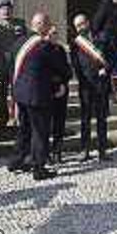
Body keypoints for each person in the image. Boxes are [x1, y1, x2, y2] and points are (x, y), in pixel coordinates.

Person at [10, 12, 72, 180]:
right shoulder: (44, 46)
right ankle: (39, 168)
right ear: (41, 25)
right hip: (37, 95)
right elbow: (62, 69)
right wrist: (62, 78)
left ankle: (17, 160)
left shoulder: (20, 42)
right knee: (40, 132)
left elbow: (12, 65)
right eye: (48, 24)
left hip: (20, 93)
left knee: (24, 129)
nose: (51, 27)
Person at [70, 13, 111, 162]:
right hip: (86, 86)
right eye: (77, 26)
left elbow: (111, 57)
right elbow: (75, 66)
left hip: (101, 85)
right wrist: (82, 80)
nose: (80, 27)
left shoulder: (102, 37)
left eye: (82, 23)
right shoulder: (76, 43)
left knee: (102, 119)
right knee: (85, 120)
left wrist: (106, 69)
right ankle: (84, 150)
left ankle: (102, 151)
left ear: (88, 22)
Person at [0, 0, 28, 129]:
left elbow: (26, 42)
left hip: (16, 64)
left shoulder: (20, 23)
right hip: (0, 64)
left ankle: (17, 116)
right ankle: (2, 118)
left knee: (17, 91)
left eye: (8, 9)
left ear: (12, 10)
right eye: (3, 9)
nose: (6, 11)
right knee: (1, 92)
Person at [48, 25, 72, 164]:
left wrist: (63, 84)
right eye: (51, 33)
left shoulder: (60, 50)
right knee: (45, 124)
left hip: (61, 89)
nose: (53, 36)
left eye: (55, 33)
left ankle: (57, 152)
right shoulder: (42, 49)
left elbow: (67, 70)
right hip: (47, 91)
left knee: (59, 123)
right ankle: (45, 153)